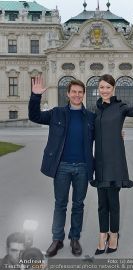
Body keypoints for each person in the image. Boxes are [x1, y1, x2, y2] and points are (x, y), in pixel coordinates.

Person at [28, 76, 95, 257]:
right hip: (62, 167)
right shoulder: (56, 113)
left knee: (78, 205)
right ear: (68, 94)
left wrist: (118, 133)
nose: (77, 95)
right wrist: (35, 97)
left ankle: (74, 239)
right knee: (60, 204)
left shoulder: (91, 117)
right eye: (74, 92)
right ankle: (57, 240)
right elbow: (34, 116)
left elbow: (104, 134)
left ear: (84, 95)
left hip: (83, 167)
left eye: (80, 92)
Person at [91, 70, 133, 255]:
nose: (104, 90)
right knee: (102, 203)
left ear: (113, 88)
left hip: (115, 161)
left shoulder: (121, 107)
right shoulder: (97, 109)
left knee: (113, 202)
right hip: (100, 162)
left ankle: (114, 235)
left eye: (108, 87)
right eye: (101, 87)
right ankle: (102, 235)